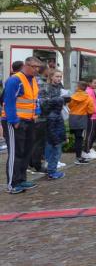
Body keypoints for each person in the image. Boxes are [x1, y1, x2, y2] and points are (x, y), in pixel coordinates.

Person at [1, 56, 44, 193]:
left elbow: (35, 98)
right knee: (16, 152)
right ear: (26, 65)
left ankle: (21, 180)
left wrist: (37, 112)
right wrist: (14, 120)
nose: (37, 70)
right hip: (15, 122)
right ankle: (12, 184)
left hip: (29, 120)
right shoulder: (15, 80)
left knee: (26, 151)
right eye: (34, 67)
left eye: (38, 68)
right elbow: (9, 101)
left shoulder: (33, 80)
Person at [41, 69, 67, 179]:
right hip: (50, 118)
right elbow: (43, 104)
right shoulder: (46, 88)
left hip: (58, 116)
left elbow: (63, 101)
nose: (59, 78)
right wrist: (57, 100)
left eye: (60, 77)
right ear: (51, 77)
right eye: (57, 76)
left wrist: (66, 98)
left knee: (56, 143)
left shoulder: (60, 87)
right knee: (53, 143)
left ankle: (51, 167)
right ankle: (50, 168)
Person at [67, 81, 93, 165]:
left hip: (72, 117)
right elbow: (91, 110)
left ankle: (78, 157)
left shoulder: (73, 96)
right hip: (82, 118)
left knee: (76, 137)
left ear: (78, 87)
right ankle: (78, 157)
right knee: (79, 138)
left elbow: (69, 106)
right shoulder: (88, 97)